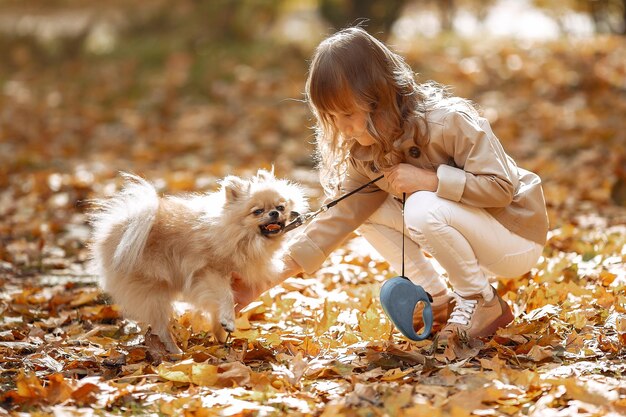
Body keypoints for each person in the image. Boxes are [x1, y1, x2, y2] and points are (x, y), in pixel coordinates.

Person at [233, 26, 548, 341]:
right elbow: (338, 217)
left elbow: (501, 188)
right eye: (331, 117)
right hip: (471, 234)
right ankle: (435, 299)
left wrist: (431, 180)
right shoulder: (367, 152)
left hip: (514, 236)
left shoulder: (449, 122)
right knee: (364, 210)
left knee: (421, 207)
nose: (342, 129)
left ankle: (481, 301)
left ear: (379, 98)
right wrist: (262, 280)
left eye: (347, 113)